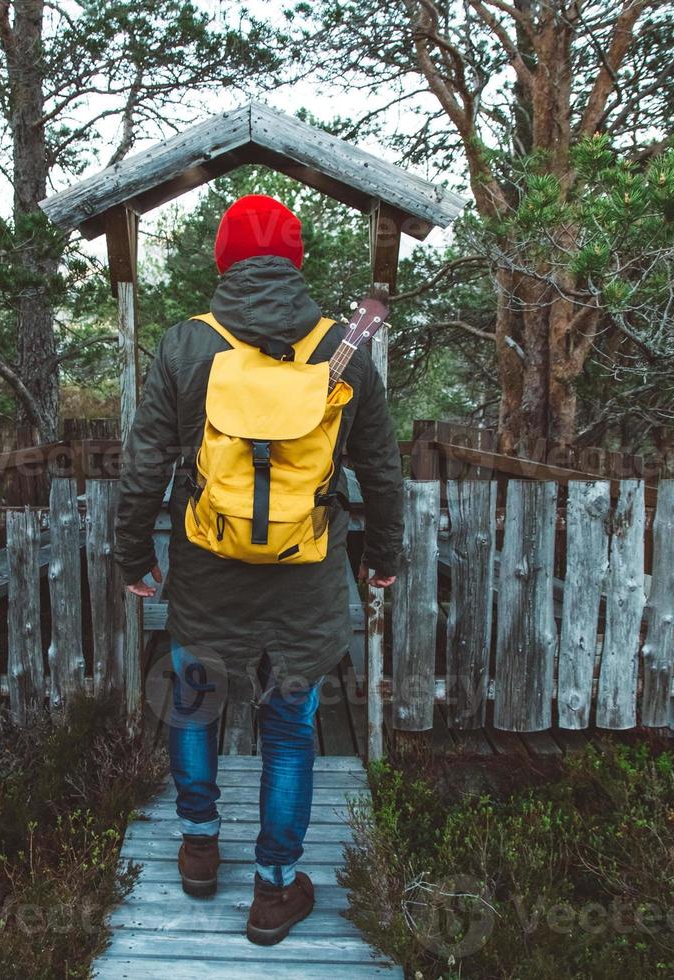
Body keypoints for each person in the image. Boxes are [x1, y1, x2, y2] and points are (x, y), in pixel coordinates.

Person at [114, 193, 404, 945]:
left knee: (194, 700)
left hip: (208, 567)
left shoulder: (185, 346)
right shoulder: (342, 348)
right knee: (289, 726)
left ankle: (201, 846)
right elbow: (380, 468)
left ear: (223, 257)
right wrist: (383, 558)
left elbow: (144, 463)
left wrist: (133, 555)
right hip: (305, 576)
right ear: (296, 258)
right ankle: (275, 890)